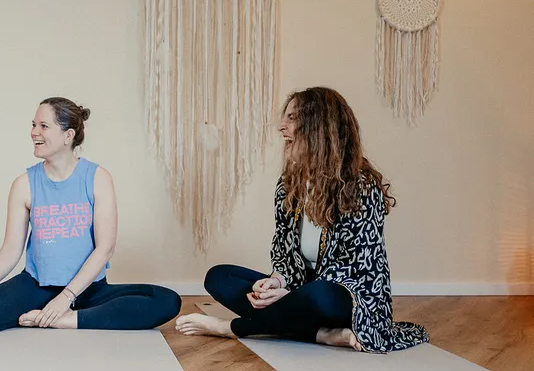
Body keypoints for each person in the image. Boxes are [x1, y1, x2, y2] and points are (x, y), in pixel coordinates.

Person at [176, 87, 429, 353]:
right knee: (220, 277)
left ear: (318, 127)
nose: (281, 127)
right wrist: (277, 282)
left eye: (292, 118)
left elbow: (356, 266)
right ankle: (322, 334)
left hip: (348, 298)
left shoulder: (360, 186)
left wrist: (291, 297)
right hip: (301, 291)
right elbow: (284, 251)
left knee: (316, 295)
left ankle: (228, 328)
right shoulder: (289, 184)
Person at [0, 97, 181, 333]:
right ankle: (58, 313)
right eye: (33, 125)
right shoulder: (24, 185)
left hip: (88, 289)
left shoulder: (98, 178)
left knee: (166, 300)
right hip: (37, 287)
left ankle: (63, 320)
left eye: (43, 126)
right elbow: (11, 248)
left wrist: (66, 298)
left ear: (68, 135)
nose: (34, 132)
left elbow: (105, 249)